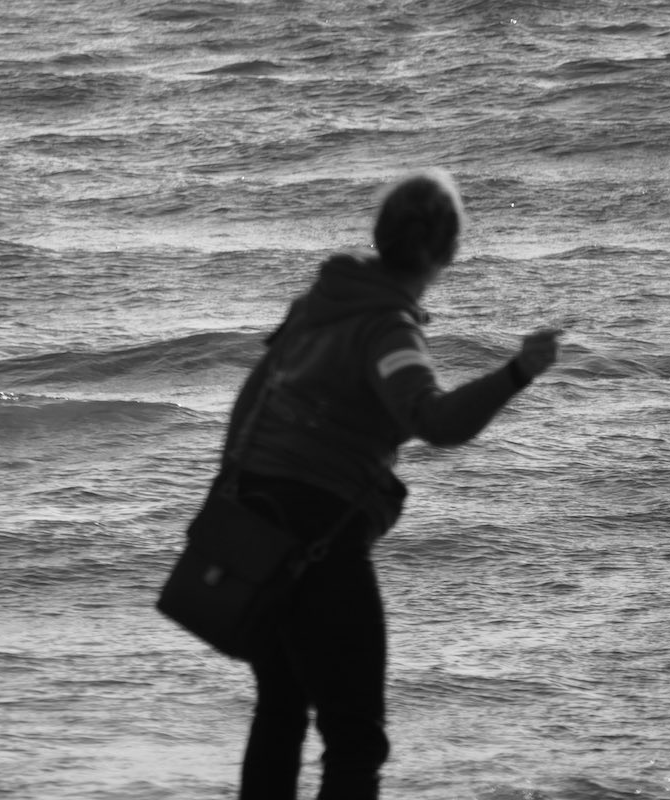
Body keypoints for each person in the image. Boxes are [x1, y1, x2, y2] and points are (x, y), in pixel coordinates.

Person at [220, 169, 560, 799]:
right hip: (318, 542)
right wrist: (517, 371)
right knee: (355, 741)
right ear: (449, 252)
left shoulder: (320, 303)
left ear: (381, 235)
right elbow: (433, 422)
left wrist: (230, 503)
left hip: (256, 526)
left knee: (281, 711)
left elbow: (251, 401)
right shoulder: (388, 331)